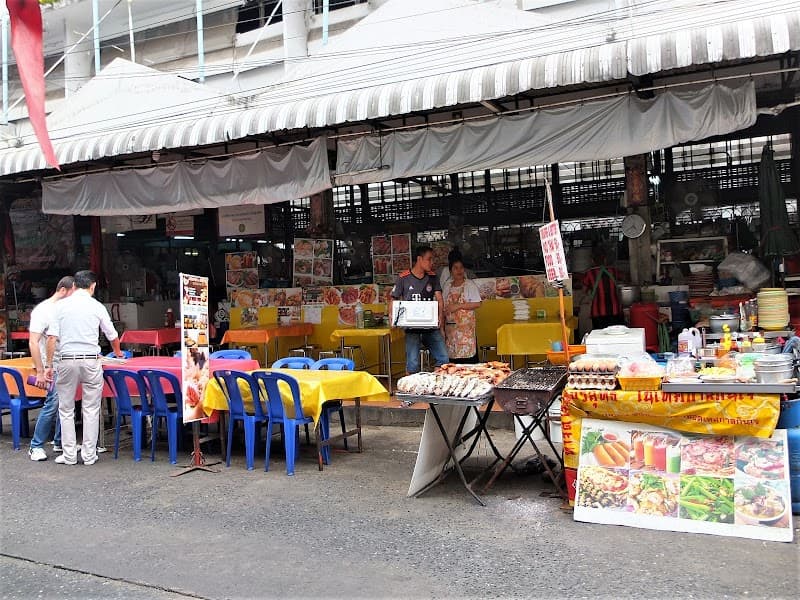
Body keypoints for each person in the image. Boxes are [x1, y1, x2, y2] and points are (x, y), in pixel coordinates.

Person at [45, 271, 124, 466]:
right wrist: (118, 352)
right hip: (91, 360)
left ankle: (69, 455)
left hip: (66, 360)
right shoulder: (96, 306)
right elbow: (112, 334)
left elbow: (52, 338)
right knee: (91, 408)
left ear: (75, 285)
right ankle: (89, 455)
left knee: (66, 409)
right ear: (93, 286)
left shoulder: (60, 306)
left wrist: (48, 365)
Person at [27, 276, 75, 461]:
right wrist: (40, 370)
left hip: (64, 363)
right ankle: (35, 445)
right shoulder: (44, 310)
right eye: (72, 294)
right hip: (51, 366)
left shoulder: (65, 310)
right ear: (63, 290)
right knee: (53, 403)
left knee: (66, 403)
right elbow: (33, 341)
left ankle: (59, 442)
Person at [390, 245, 449, 374]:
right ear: (419, 259)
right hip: (412, 328)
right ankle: (411, 391)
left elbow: (439, 299)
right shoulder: (403, 277)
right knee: (413, 363)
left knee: (443, 358)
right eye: (429, 259)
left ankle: (436, 388)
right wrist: (393, 319)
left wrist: (440, 320)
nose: (432, 262)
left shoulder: (432, 277)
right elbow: (394, 299)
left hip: (431, 327)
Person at [442, 257, 482, 363]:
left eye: (461, 267)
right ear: (450, 271)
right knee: (453, 362)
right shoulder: (447, 286)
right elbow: (443, 306)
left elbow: (478, 303)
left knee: (469, 362)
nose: (459, 270)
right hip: (451, 330)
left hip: (466, 331)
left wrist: (458, 306)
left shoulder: (469, 284)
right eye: (455, 268)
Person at [582, 253, 624, 330]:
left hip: (598, 312)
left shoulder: (589, 273)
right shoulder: (613, 271)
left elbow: (584, 290)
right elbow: (624, 279)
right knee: (616, 334)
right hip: (615, 310)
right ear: (605, 260)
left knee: (600, 335)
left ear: (592, 261)